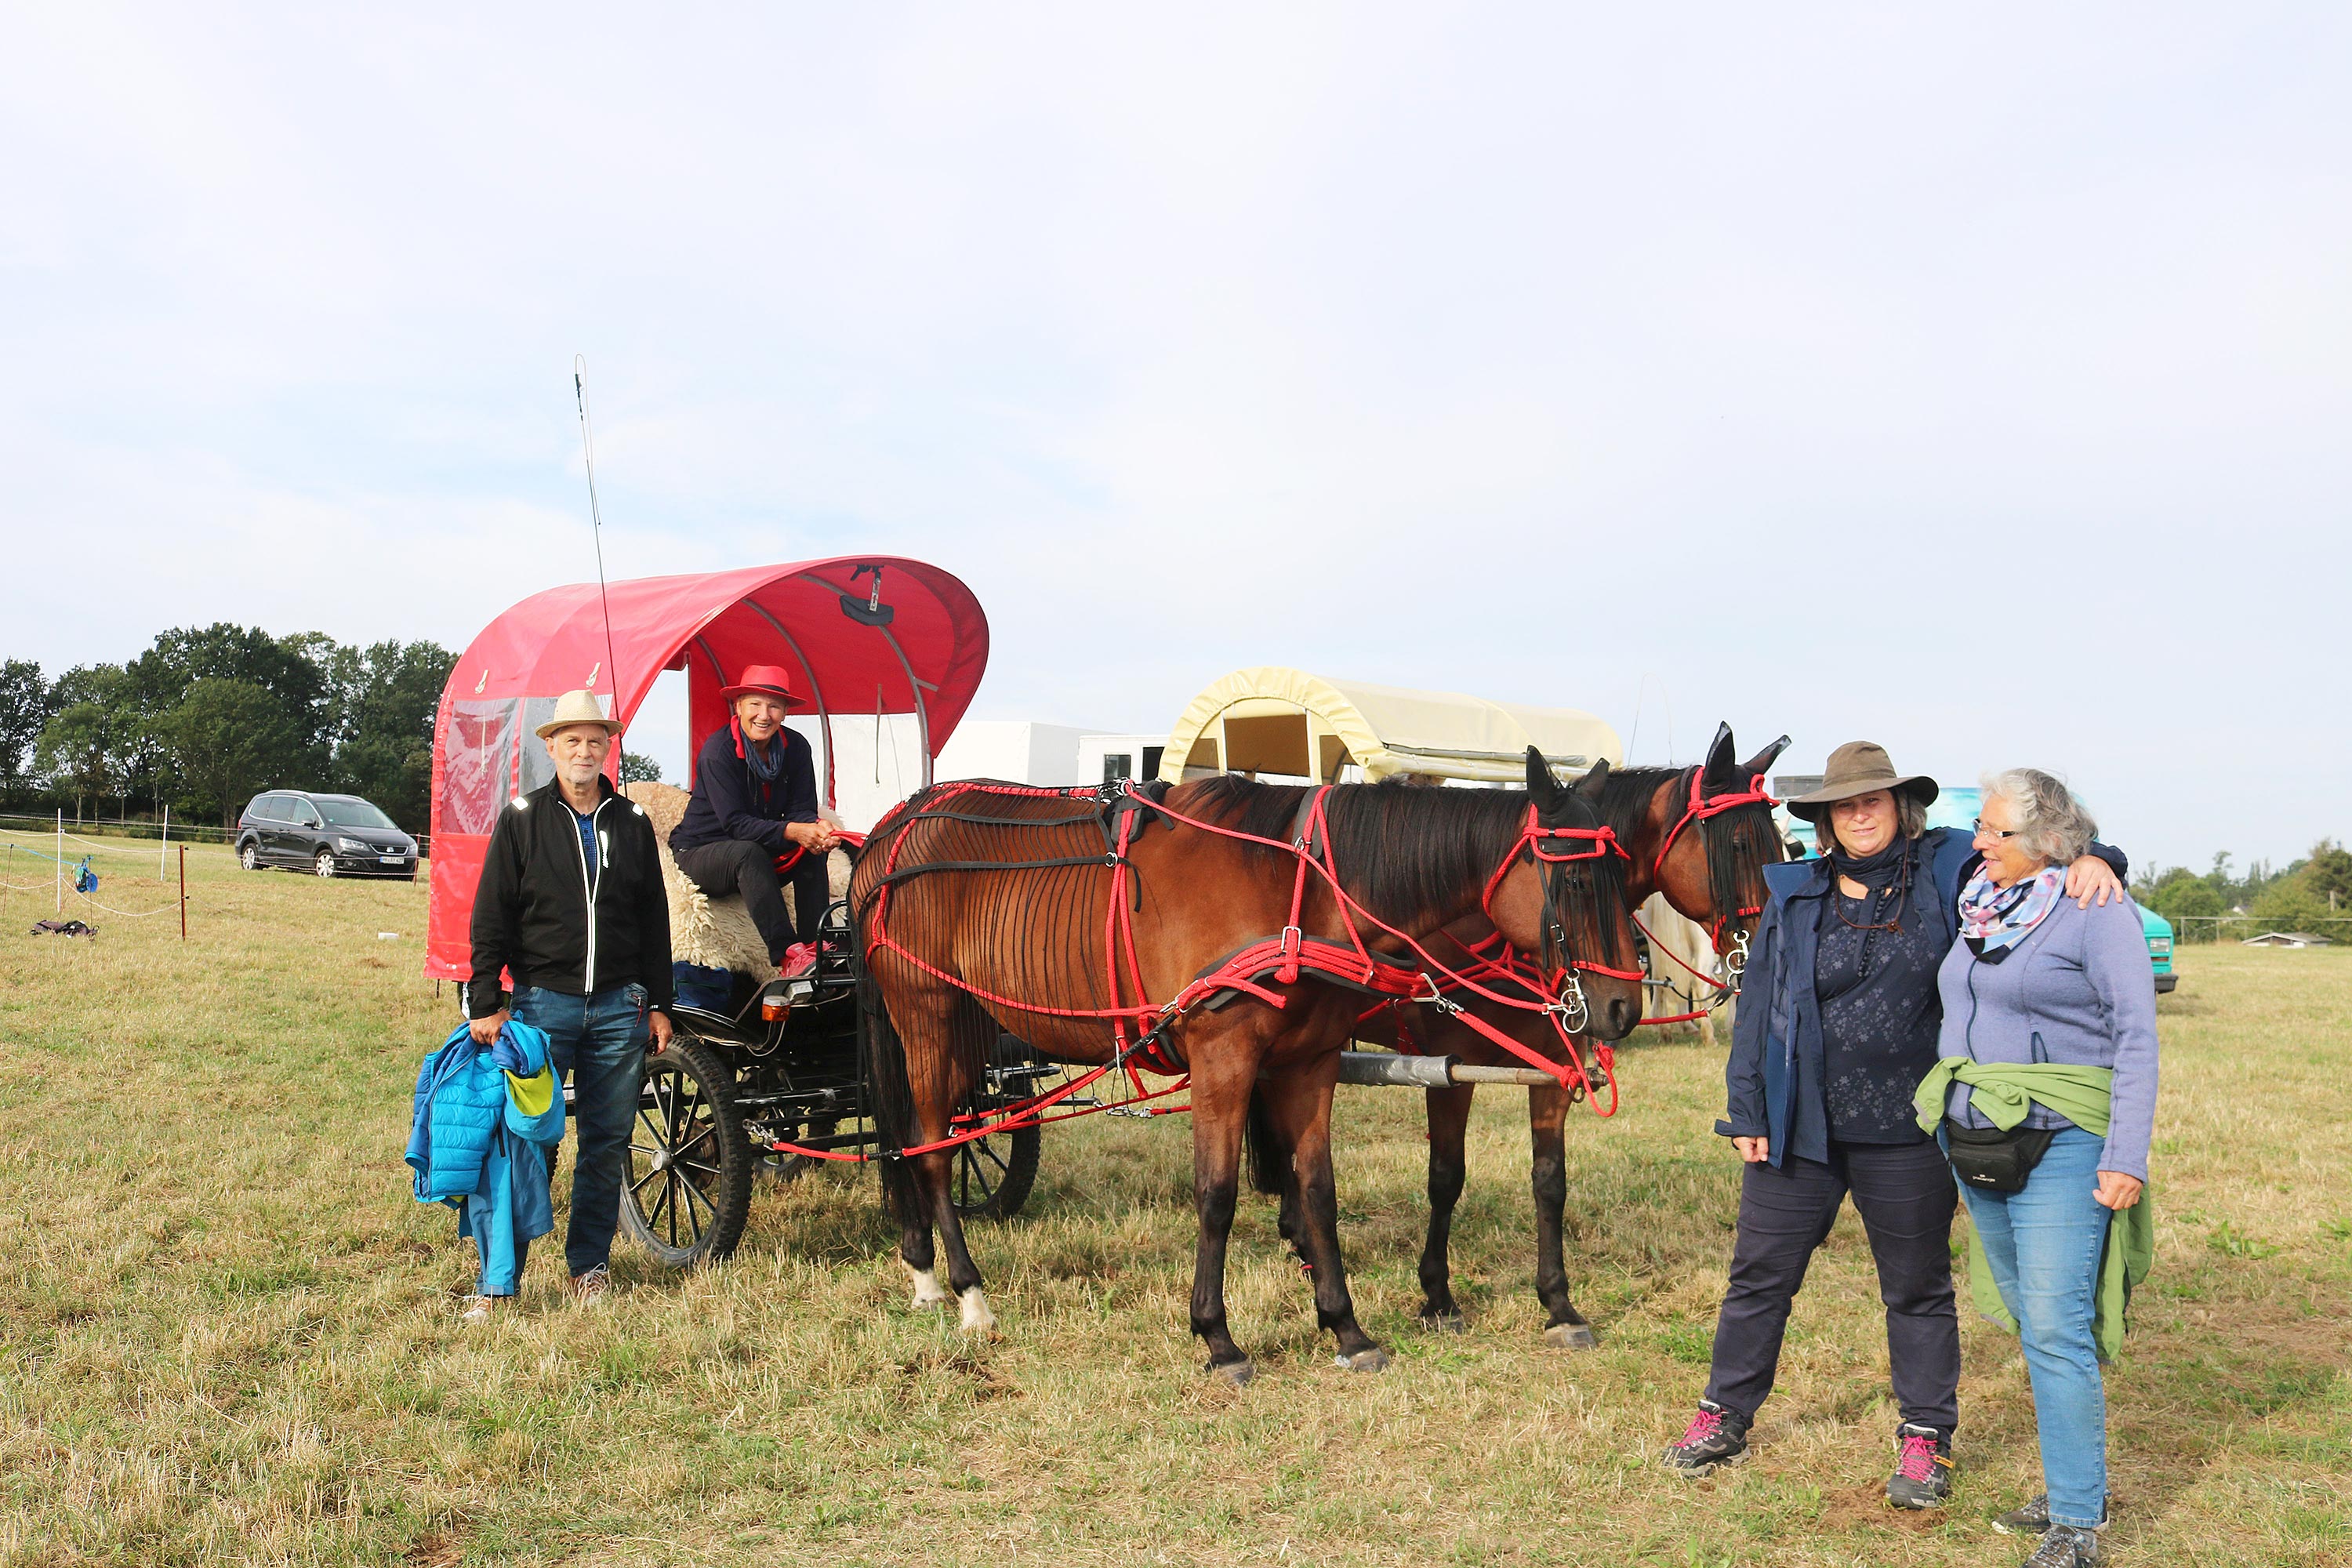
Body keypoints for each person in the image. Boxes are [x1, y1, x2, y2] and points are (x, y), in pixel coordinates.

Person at [1662, 742, 2125, 1510]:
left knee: (1913, 1287)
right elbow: (1762, 1002)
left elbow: (2036, 852)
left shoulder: (1948, 867)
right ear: (1827, 817)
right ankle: (1724, 1413)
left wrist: (2098, 857)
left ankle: (1923, 1434)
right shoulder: (1798, 891)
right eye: (1845, 803)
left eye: (1874, 798)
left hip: (1908, 1127)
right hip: (1799, 1125)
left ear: (1900, 805)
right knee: (1759, 1276)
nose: (1861, 811)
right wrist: (1747, 1103)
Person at [1917, 770, 2157, 1568]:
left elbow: (2135, 1037)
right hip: (1978, 1137)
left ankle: (2077, 1523)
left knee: (2055, 1323)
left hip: (2065, 1140)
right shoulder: (1977, 900)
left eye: (1996, 830)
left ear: (2049, 841)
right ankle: (2069, 1482)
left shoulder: (2096, 909)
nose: (1978, 840)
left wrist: (2126, 1155)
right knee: (2032, 1316)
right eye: (1980, 827)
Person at [466, 688, 673, 1308]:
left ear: (607, 747)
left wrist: (659, 1001)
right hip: (540, 1006)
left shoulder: (632, 822)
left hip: (619, 1009)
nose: (584, 751)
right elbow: (490, 915)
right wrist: (485, 1002)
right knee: (528, 1141)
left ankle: (589, 1268)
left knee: (606, 1143)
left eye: (595, 740)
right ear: (551, 747)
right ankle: (500, 1281)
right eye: (571, 740)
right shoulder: (523, 817)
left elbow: (653, 918)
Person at [670, 665, 840, 978]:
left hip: (756, 848)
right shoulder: (717, 752)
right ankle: (788, 954)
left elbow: (801, 809)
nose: (764, 715)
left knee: (813, 849)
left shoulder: (797, 748)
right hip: (700, 853)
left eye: (774, 705)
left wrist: (816, 829)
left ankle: (818, 945)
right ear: (738, 707)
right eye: (755, 704)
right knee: (747, 852)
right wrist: (793, 830)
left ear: (786, 712)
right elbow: (735, 825)